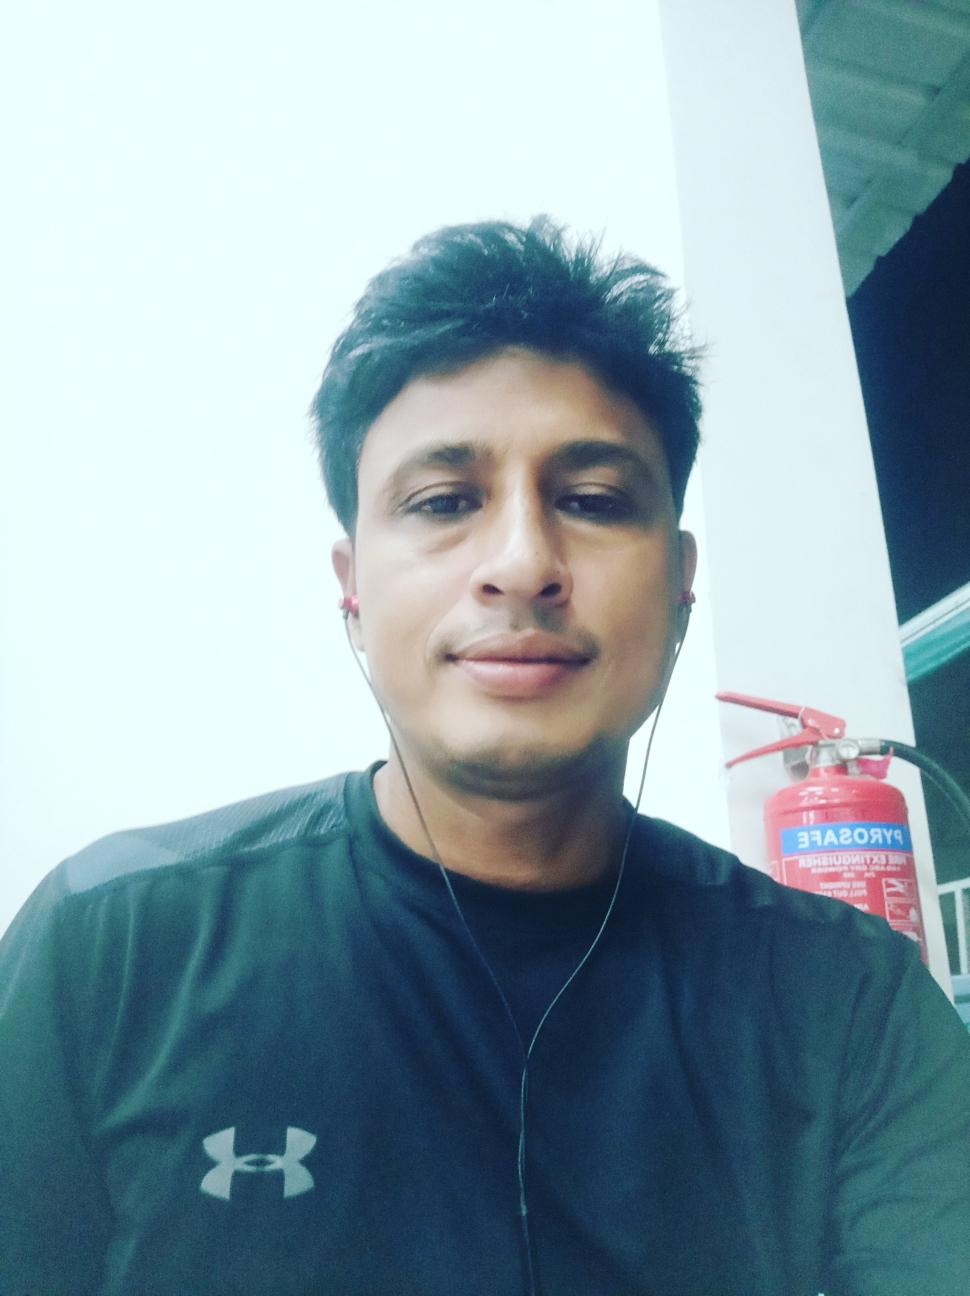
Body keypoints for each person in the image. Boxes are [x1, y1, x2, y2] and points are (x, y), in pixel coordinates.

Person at [1, 218, 969, 1296]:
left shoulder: (851, 1006)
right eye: (443, 503)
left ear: (680, 583)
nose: (520, 563)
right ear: (352, 589)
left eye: (593, 501)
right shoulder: (113, 948)